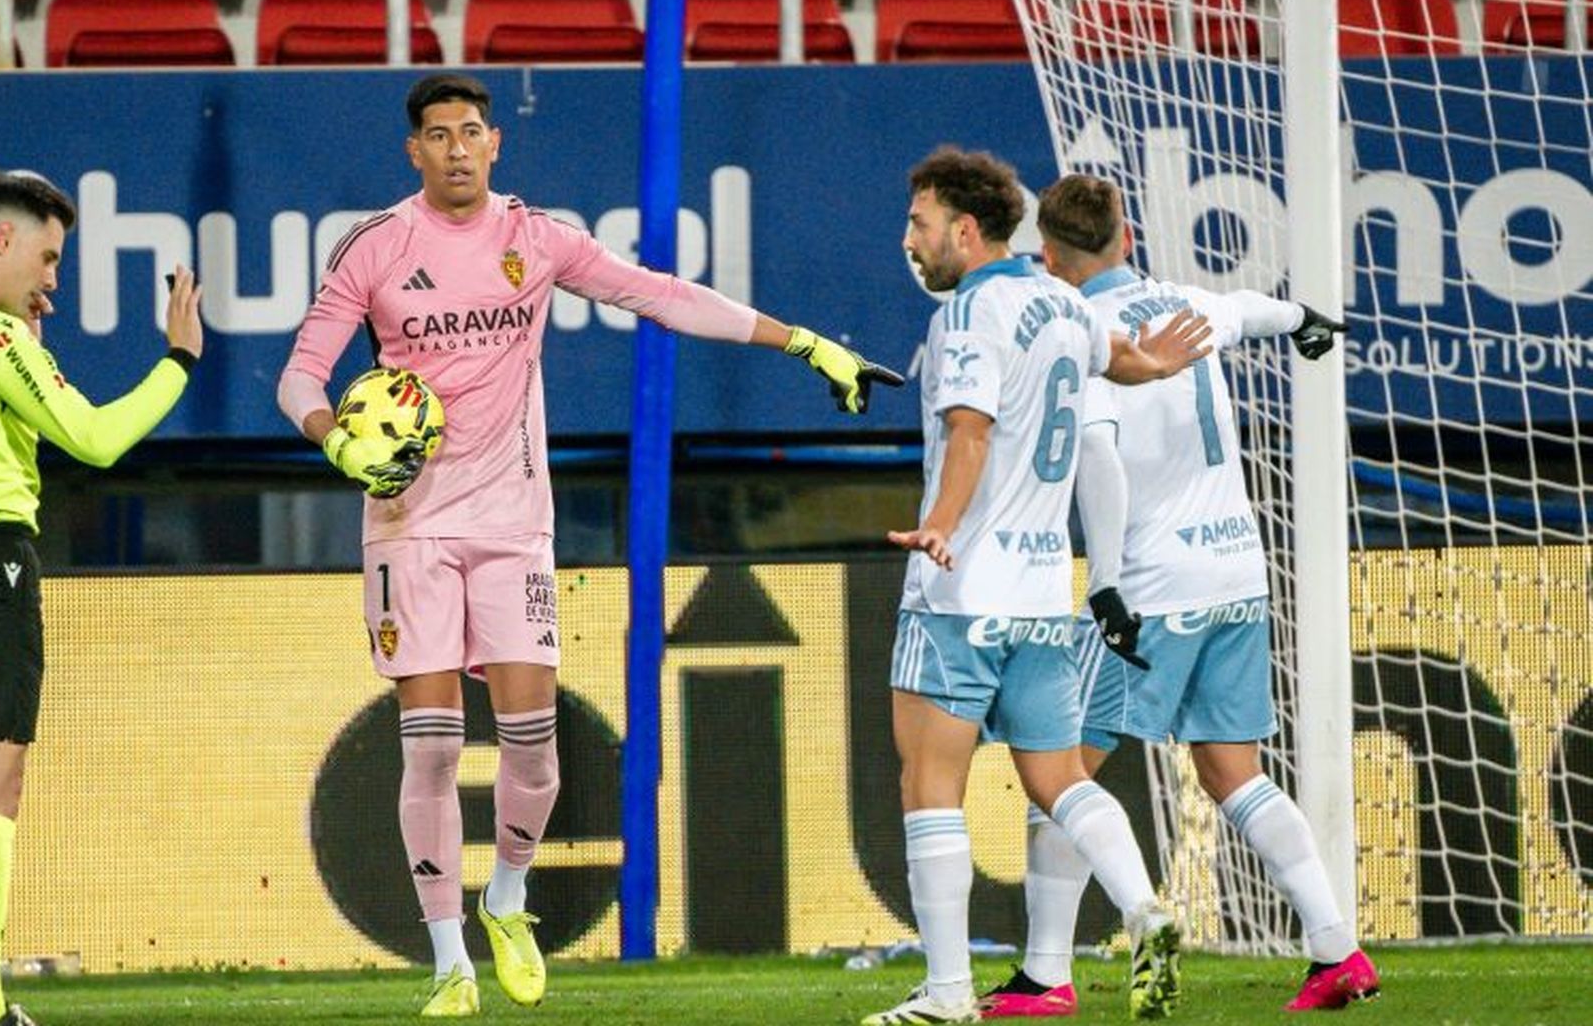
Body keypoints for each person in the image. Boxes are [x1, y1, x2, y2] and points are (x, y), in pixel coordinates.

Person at [276, 73, 902, 1019]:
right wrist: (335, 436)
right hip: (408, 527)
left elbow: (659, 295)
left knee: (535, 748)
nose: (454, 148)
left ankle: (509, 898)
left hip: (514, 526)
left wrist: (806, 344)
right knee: (433, 749)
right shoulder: (376, 247)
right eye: (437, 135)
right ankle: (448, 959)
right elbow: (298, 375)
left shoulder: (537, 239)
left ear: (495, 145)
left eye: (470, 133)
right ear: (414, 152)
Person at [978, 172, 1375, 1019]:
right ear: (1127, 238)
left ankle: (1046, 974)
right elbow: (1252, 307)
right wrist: (1305, 319)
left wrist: (1109, 584)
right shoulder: (1190, 301)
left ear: (1047, 257)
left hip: (1153, 585)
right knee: (1234, 772)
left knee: (1059, 773)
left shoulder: (1079, 330)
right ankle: (1337, 949)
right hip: (1237, 572)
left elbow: (1103, 460)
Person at [868, 146, 1212, 1026]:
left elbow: (971, 435)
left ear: (966, 229)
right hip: (1041, 598)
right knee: (1058, 776)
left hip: (961, 591)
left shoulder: (969, 313)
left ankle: (947, 992)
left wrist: (941, 524)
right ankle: (1142, 910)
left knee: (928, 784)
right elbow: (1124, 359)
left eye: (921, 223)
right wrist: (1164, 364)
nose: (911, 239)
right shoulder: (1063, 302)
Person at [0, 171, 204, 1026]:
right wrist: (179, 361)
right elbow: (93, 439)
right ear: (3, 241)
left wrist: (20, 336)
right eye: (49, 257)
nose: (53, 280)